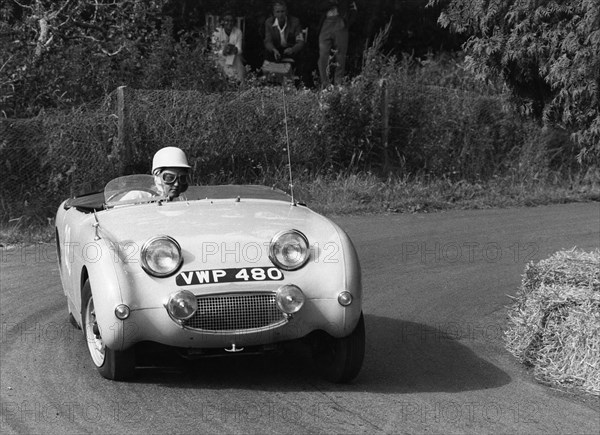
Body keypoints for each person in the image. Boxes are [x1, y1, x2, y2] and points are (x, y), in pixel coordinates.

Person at [318, 0, 358, 87]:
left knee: (341, 54)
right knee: (323, 54)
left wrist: (346, 23)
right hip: (326, 22)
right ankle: (325, 83)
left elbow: (353, 9)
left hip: (340, 22)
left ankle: (338, 83)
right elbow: (318, 6)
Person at [263, 1, 305, 66]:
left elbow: (300, 42)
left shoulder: (295, 22)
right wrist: (274, 50)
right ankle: (269, 74)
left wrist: (293, 49)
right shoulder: (269, 22)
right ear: (274, 13)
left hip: (291, 49)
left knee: (303, 53)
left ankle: (300, 75)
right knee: (267, 52)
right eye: (278, 12)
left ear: (286, 12)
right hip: (277, 49)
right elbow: (268, 41)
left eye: (282, 11)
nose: (280, 15)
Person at [211, 12, 245, 82]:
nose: (229, 23)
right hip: (219, 58)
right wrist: (223, 52)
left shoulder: (238, 32)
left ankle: (239, 85)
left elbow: (239, 49)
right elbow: (214, 50)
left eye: (231, 21)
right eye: (227, 20)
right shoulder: (216, 33)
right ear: (222, 22)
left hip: (233, 58)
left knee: (239, 67)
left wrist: (236, 50)